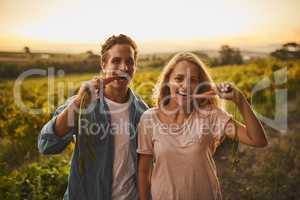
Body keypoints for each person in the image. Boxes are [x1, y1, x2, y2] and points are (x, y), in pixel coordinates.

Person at [137, 52, 268, 200]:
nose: (185, 85)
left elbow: (258, 140)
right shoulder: (149, 119)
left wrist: (240, 100)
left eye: (192, 80)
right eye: (179, 78)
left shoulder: (210, 116)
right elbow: (143, 171)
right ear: (168, 81)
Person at [38, 34, 148, 200]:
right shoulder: (82, 104)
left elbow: (145, 167)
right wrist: (77, 103)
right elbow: (47, 144)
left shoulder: (142, 112)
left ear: (135, 66)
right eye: (116, 61)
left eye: (129, 61)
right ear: (104, 64)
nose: (124, 67)